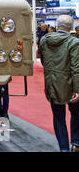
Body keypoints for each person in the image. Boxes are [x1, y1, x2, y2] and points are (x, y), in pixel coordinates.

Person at [39, 15, 79, 152]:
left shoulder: (44, 40)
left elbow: (43, 61)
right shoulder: (74, 42)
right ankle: (76, 142)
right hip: (71, 84)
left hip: (52, 83)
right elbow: (76, 69)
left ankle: (64, 148)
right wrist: (77, 89)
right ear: (72, 27)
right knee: (76, 113)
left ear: (57, 25)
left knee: (58, 117)